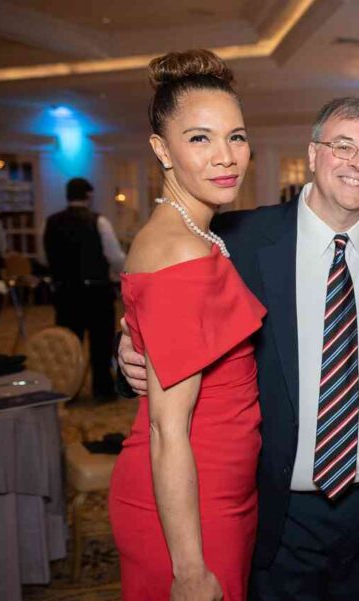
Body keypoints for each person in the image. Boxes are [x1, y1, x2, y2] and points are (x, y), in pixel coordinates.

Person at [119, 96, 359, 600]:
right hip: (275, 509)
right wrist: (127, 349)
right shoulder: (234, 241)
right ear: (313, 154)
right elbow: (159, 306)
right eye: (343, 146)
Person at [108, 49, 266, 600]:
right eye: (200, 138)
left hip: (213, 488)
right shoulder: (179, 251)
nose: (227, 158)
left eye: (236, 137)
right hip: (188, 511)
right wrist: (190, 569)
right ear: (162, 149)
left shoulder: (192, 233)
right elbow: (165, 429)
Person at [43, 176, 126, 400]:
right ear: (89, 195)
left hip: (65, 292)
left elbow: (46, 257)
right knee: (101, 343)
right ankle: (103, 390)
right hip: (96, 292)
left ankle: (67, 390)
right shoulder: (99, 222)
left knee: (69, 343)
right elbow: (115, 257)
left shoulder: (51, 222)